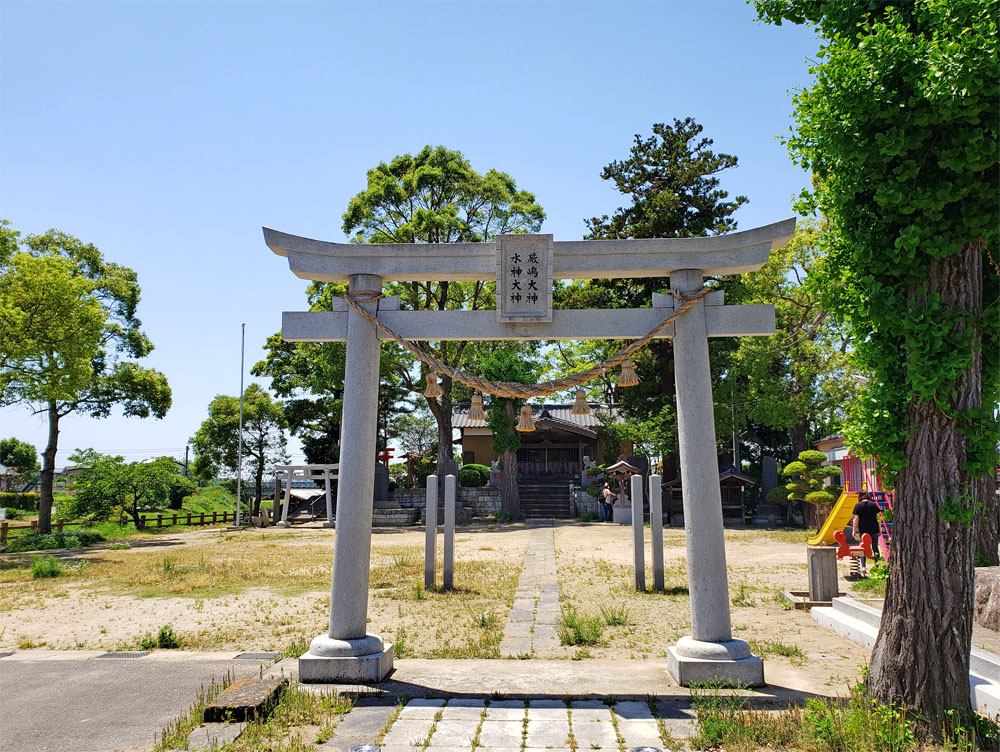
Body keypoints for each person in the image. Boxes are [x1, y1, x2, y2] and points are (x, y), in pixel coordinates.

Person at [852, 490, 881, 575]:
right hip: (874, 529)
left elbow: (856, 519)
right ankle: (877, 566)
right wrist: (879, 529)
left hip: (863, 530)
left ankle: (863, 567)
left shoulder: (858, 505)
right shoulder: (873, 505)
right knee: (875, 547)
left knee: (863, 548)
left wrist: (854, 530)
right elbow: (879, 518)